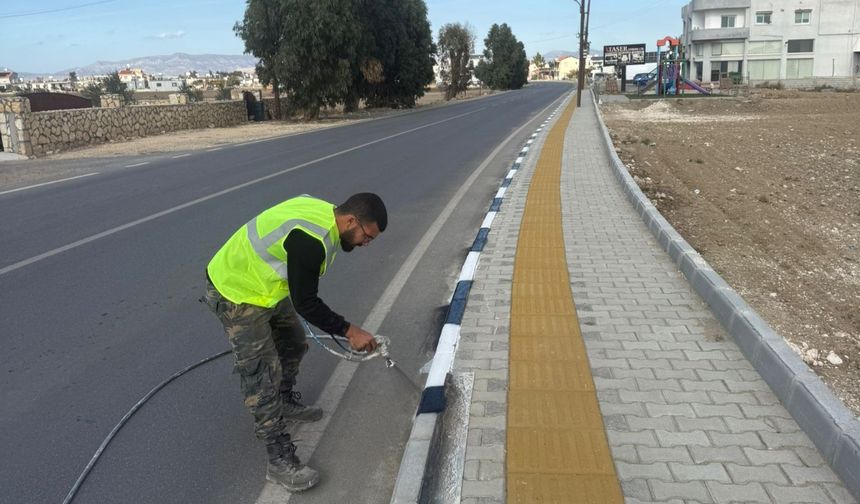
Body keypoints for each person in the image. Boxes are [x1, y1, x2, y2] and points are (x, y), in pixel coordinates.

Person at [202, 193, 387, 492]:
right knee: (261, 374)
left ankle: (284, 400)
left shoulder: (327, 215)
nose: (367, 243)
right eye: (367, 236)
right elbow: (307, 304)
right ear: (351, 220)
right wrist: (350, 331)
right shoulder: (311, 240)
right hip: (236, 290)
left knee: (294, 341)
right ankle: (278, 460)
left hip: (265, 286)